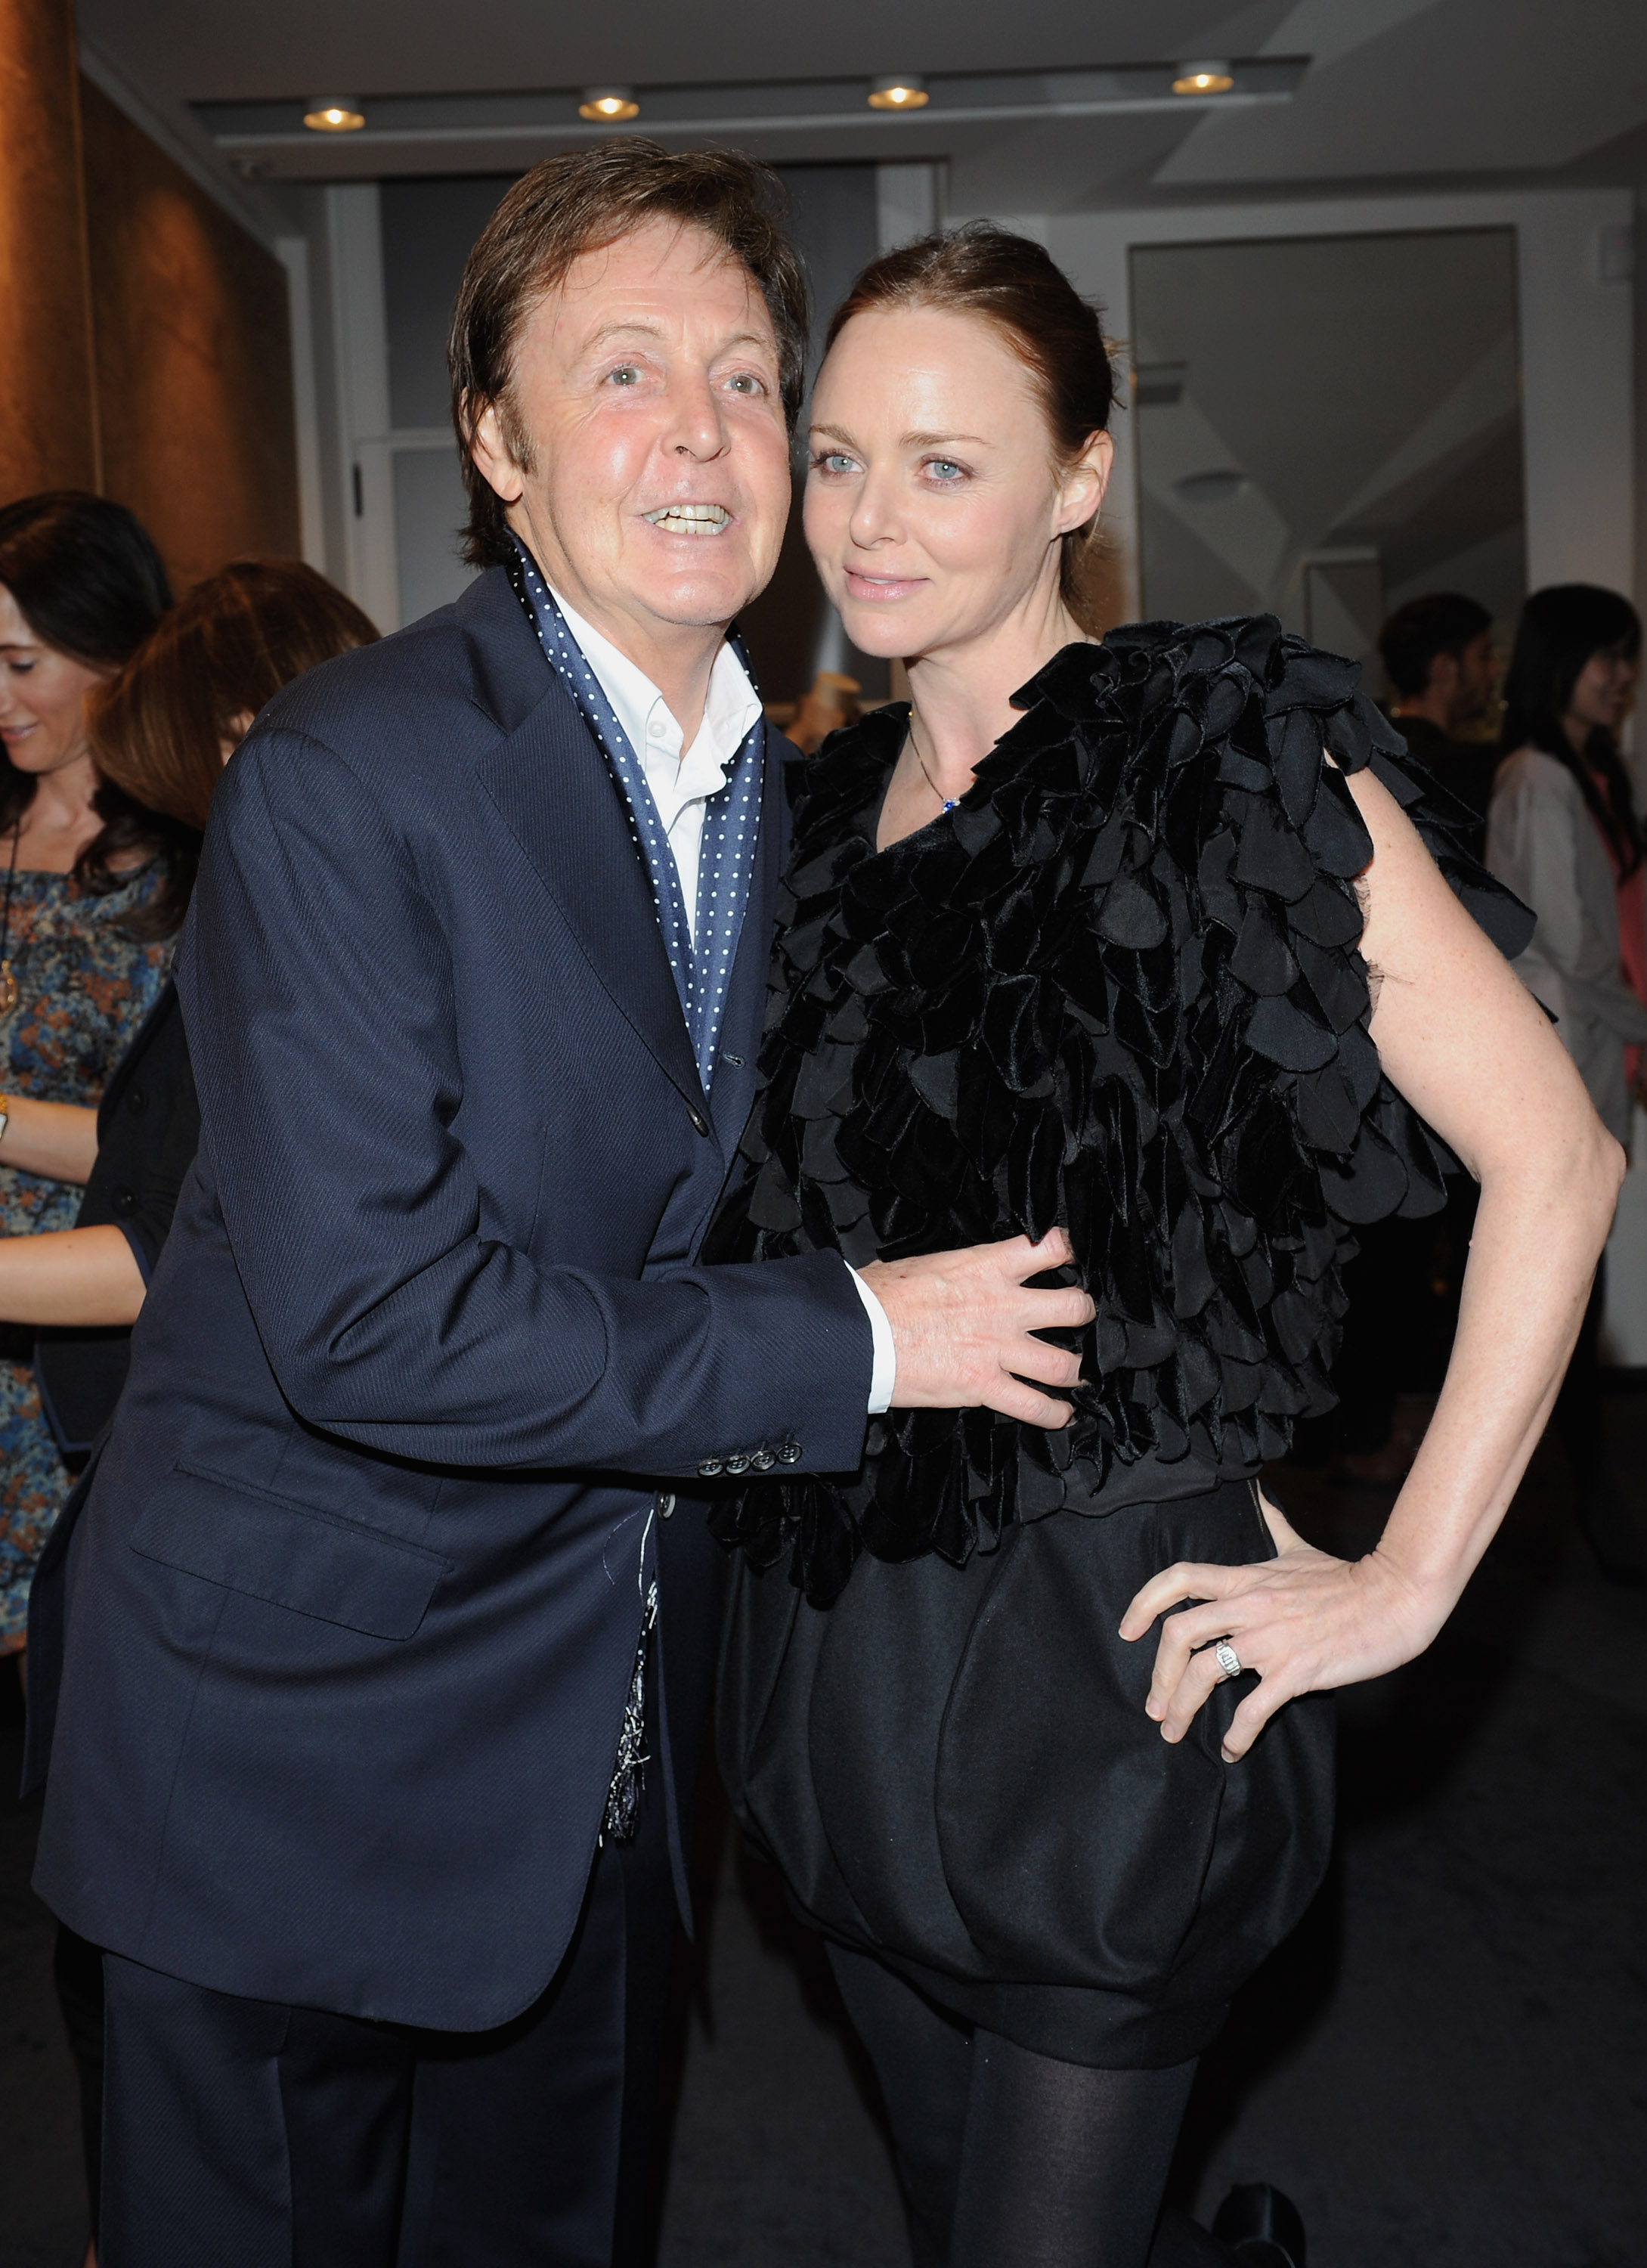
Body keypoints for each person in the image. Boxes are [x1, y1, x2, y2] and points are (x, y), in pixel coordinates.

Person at [24, 146, 1087, 2265]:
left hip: (599, 1748)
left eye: (746, 378)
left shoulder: (779, 796)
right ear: (497, 444)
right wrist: (870, 1334)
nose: (702, 433)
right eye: (624, 373)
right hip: (291, 1741)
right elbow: (374, 1321)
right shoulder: (352, 772)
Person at [707, 226, 1621, 2268]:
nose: (866, 515)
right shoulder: (811, 814)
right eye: (838, 454)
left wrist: (1407, 1578)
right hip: (837, 1647)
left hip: (1115, 1654)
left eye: (945, 463)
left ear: (1078, 480)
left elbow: (1555, 1158)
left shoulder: (1219, 753)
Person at [1, 557, 378, 2268]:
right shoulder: (284, 887)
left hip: (209, 1514)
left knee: (184, 1996)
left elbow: (171, 1246)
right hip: (196, 1496)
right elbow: (152, 1156)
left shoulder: (280, 910)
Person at [0, 493, 181, 1677]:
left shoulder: (189, 848)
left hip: (86, 1324)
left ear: (116, 653)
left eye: (21, 663)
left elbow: (171, 1151)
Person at [1323, 591, 1504, 1484]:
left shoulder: (1354, 752)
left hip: (1362, 1041)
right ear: (1446, 667)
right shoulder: (1452, 768)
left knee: (1386, 1254)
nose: (1491, 673)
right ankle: (1374, 1434)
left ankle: (1373, 1428)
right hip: (1423, 1037)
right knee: (1402, 1256)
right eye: (1481, 656)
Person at [1487, 584, 1646, 1582]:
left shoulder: (1581, 773)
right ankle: (1581, 1495)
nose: (1620, 676)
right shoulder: (1536, 781)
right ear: (1558, 662)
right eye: (1605, 656)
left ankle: (1577, 1486)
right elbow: (1570, 951)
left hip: (1590, 1050)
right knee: (1559, 1287)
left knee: (1569, 1288)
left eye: (1627, 657)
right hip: (1561, 1058)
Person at [1378, 591, 1500, 851]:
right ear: (1443, 668)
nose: (1495, 669)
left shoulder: (1371, 755)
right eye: (1484, 655)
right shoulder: (1464, 769)